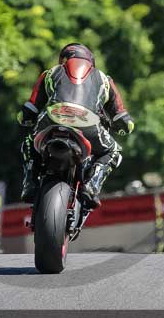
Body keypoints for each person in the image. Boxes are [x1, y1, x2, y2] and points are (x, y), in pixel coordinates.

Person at [17, 43, 134, 208]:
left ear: (63, 59)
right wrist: (126, 127)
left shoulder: (50, 73)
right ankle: (92, 185)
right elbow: (121, 116)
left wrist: (23, 119)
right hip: (88, 124)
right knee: (113, 151)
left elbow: (30, 109)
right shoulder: (104, 79)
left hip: (51, 119)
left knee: (29, 142)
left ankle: (29, 183)